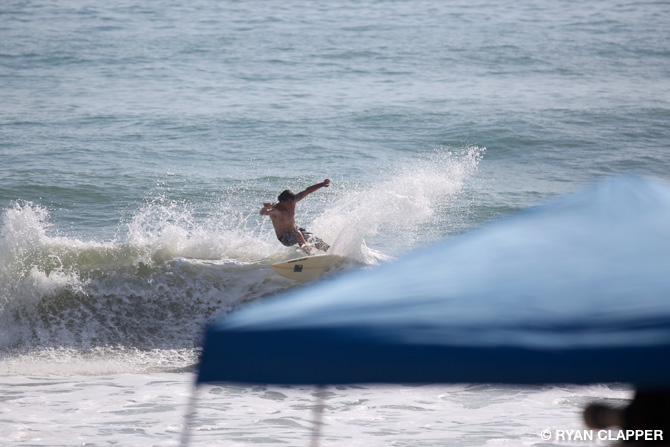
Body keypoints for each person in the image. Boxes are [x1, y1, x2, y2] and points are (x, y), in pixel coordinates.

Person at [260, 179, 331, 254]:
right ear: (283, 201)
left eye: (292, 202)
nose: (291, 205)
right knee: (298, 233)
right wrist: (266, 208)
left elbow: (307, 191)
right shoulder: (276, 210)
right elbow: (263, 213)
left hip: (296, 231)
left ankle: (329, 250)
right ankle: (308, 255)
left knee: (312, 238)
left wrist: (322, 184)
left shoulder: (293, 200)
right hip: (285, 238)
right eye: (289, 203)